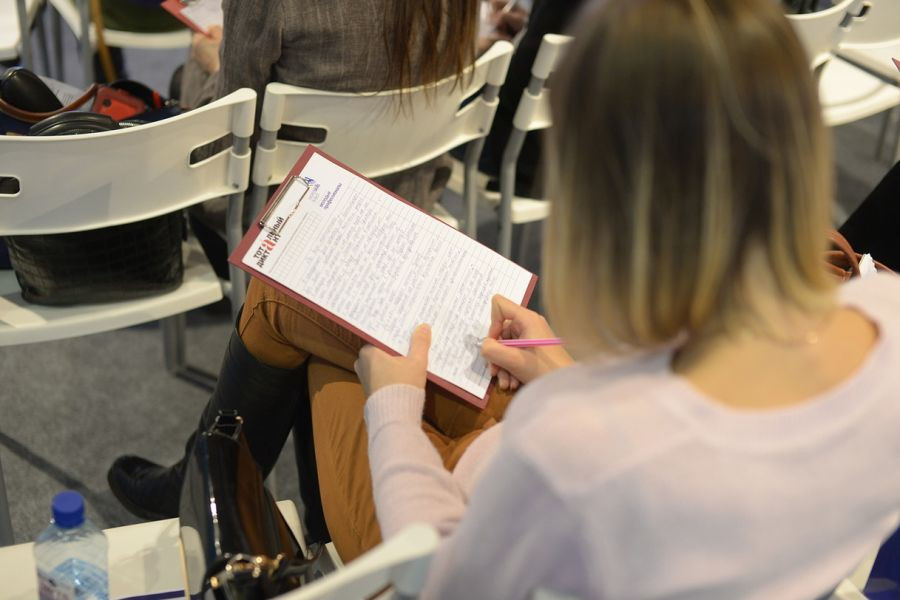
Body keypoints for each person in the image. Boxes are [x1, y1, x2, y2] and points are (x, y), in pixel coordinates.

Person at [111, 0, 900, 597]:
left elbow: (438, 575)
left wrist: (393, 407)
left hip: (456, 529)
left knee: (296, 306)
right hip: (544, 472)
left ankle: (219, 487)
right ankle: (217, 480)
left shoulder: (573, 452)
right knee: (309, 305)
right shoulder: (885, 316)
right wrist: (558, 365)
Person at [178, 0, 479, 278]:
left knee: (186, 79)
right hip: (411, 192)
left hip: (293, 215)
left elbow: (224, 141)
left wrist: (214, 65)